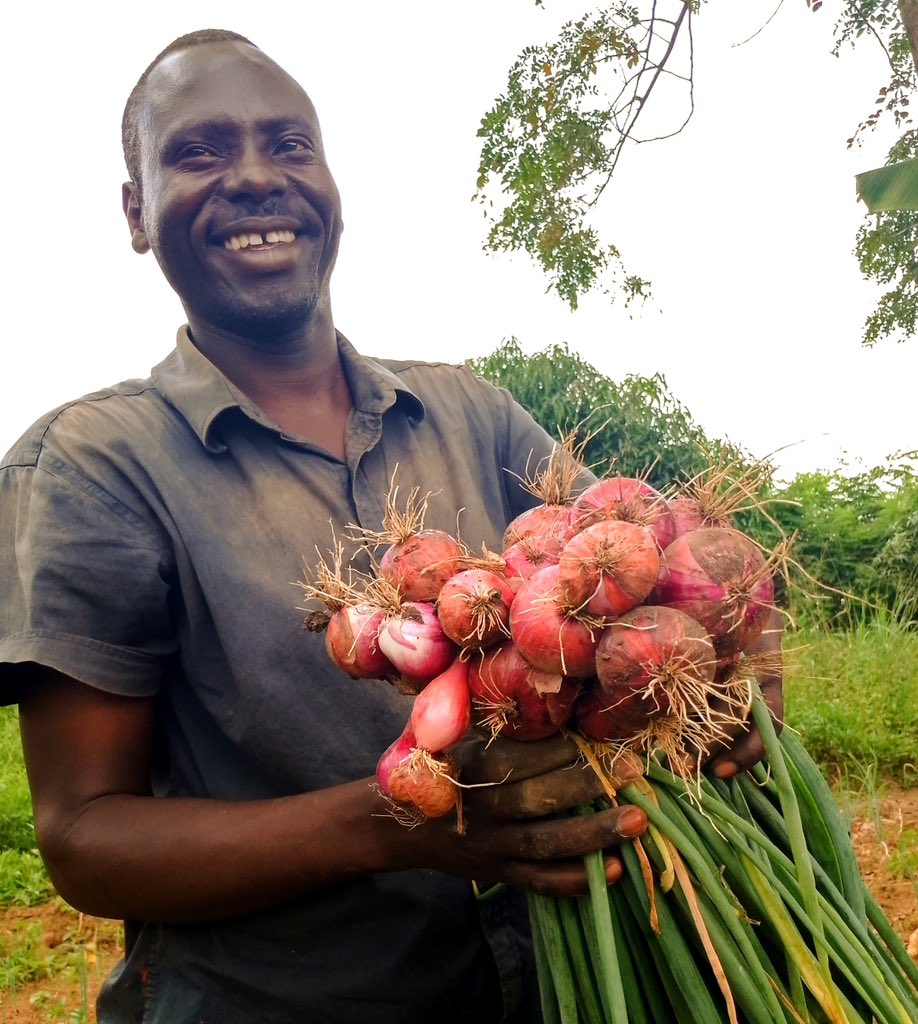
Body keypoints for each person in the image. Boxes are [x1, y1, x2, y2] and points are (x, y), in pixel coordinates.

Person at [0, 30, 781, 1024]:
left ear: (330, 186)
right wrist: (396, 823)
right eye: (200, 152)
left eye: (289, 146)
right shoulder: (90, 461)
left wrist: (736, 653)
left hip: (553, 986)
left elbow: (658, 579)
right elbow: (84, 838)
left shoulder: (474, 413)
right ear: (136, 211)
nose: (254, 178)